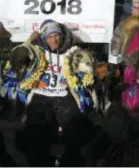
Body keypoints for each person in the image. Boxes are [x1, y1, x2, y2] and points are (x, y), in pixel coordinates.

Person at [22, 19, 97, 166]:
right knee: (36, 136)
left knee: (76, 131)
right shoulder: (35, 51)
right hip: (40, 95)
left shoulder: (72, 51)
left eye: (56, 36)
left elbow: (88, 69)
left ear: (62, 36)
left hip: (63, 95)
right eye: (49, 37)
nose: (53, 40)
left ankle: (70, 161)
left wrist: (87, 68)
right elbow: (18, 58)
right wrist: (28, 43)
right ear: (43, 38)